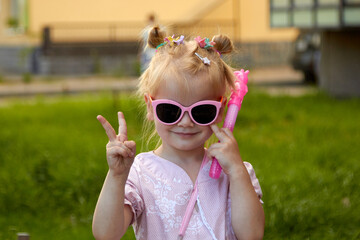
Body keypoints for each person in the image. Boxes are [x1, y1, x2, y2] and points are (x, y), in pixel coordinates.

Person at [92, 26, 265, 240]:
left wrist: (237, 173)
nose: (185, 122)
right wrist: (117, 177)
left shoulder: (234, 172)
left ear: (221, 111)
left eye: (202, 111)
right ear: (150, 107)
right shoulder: (140, 172)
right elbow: (105, 234)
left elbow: (253, 234)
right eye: (170, 110)